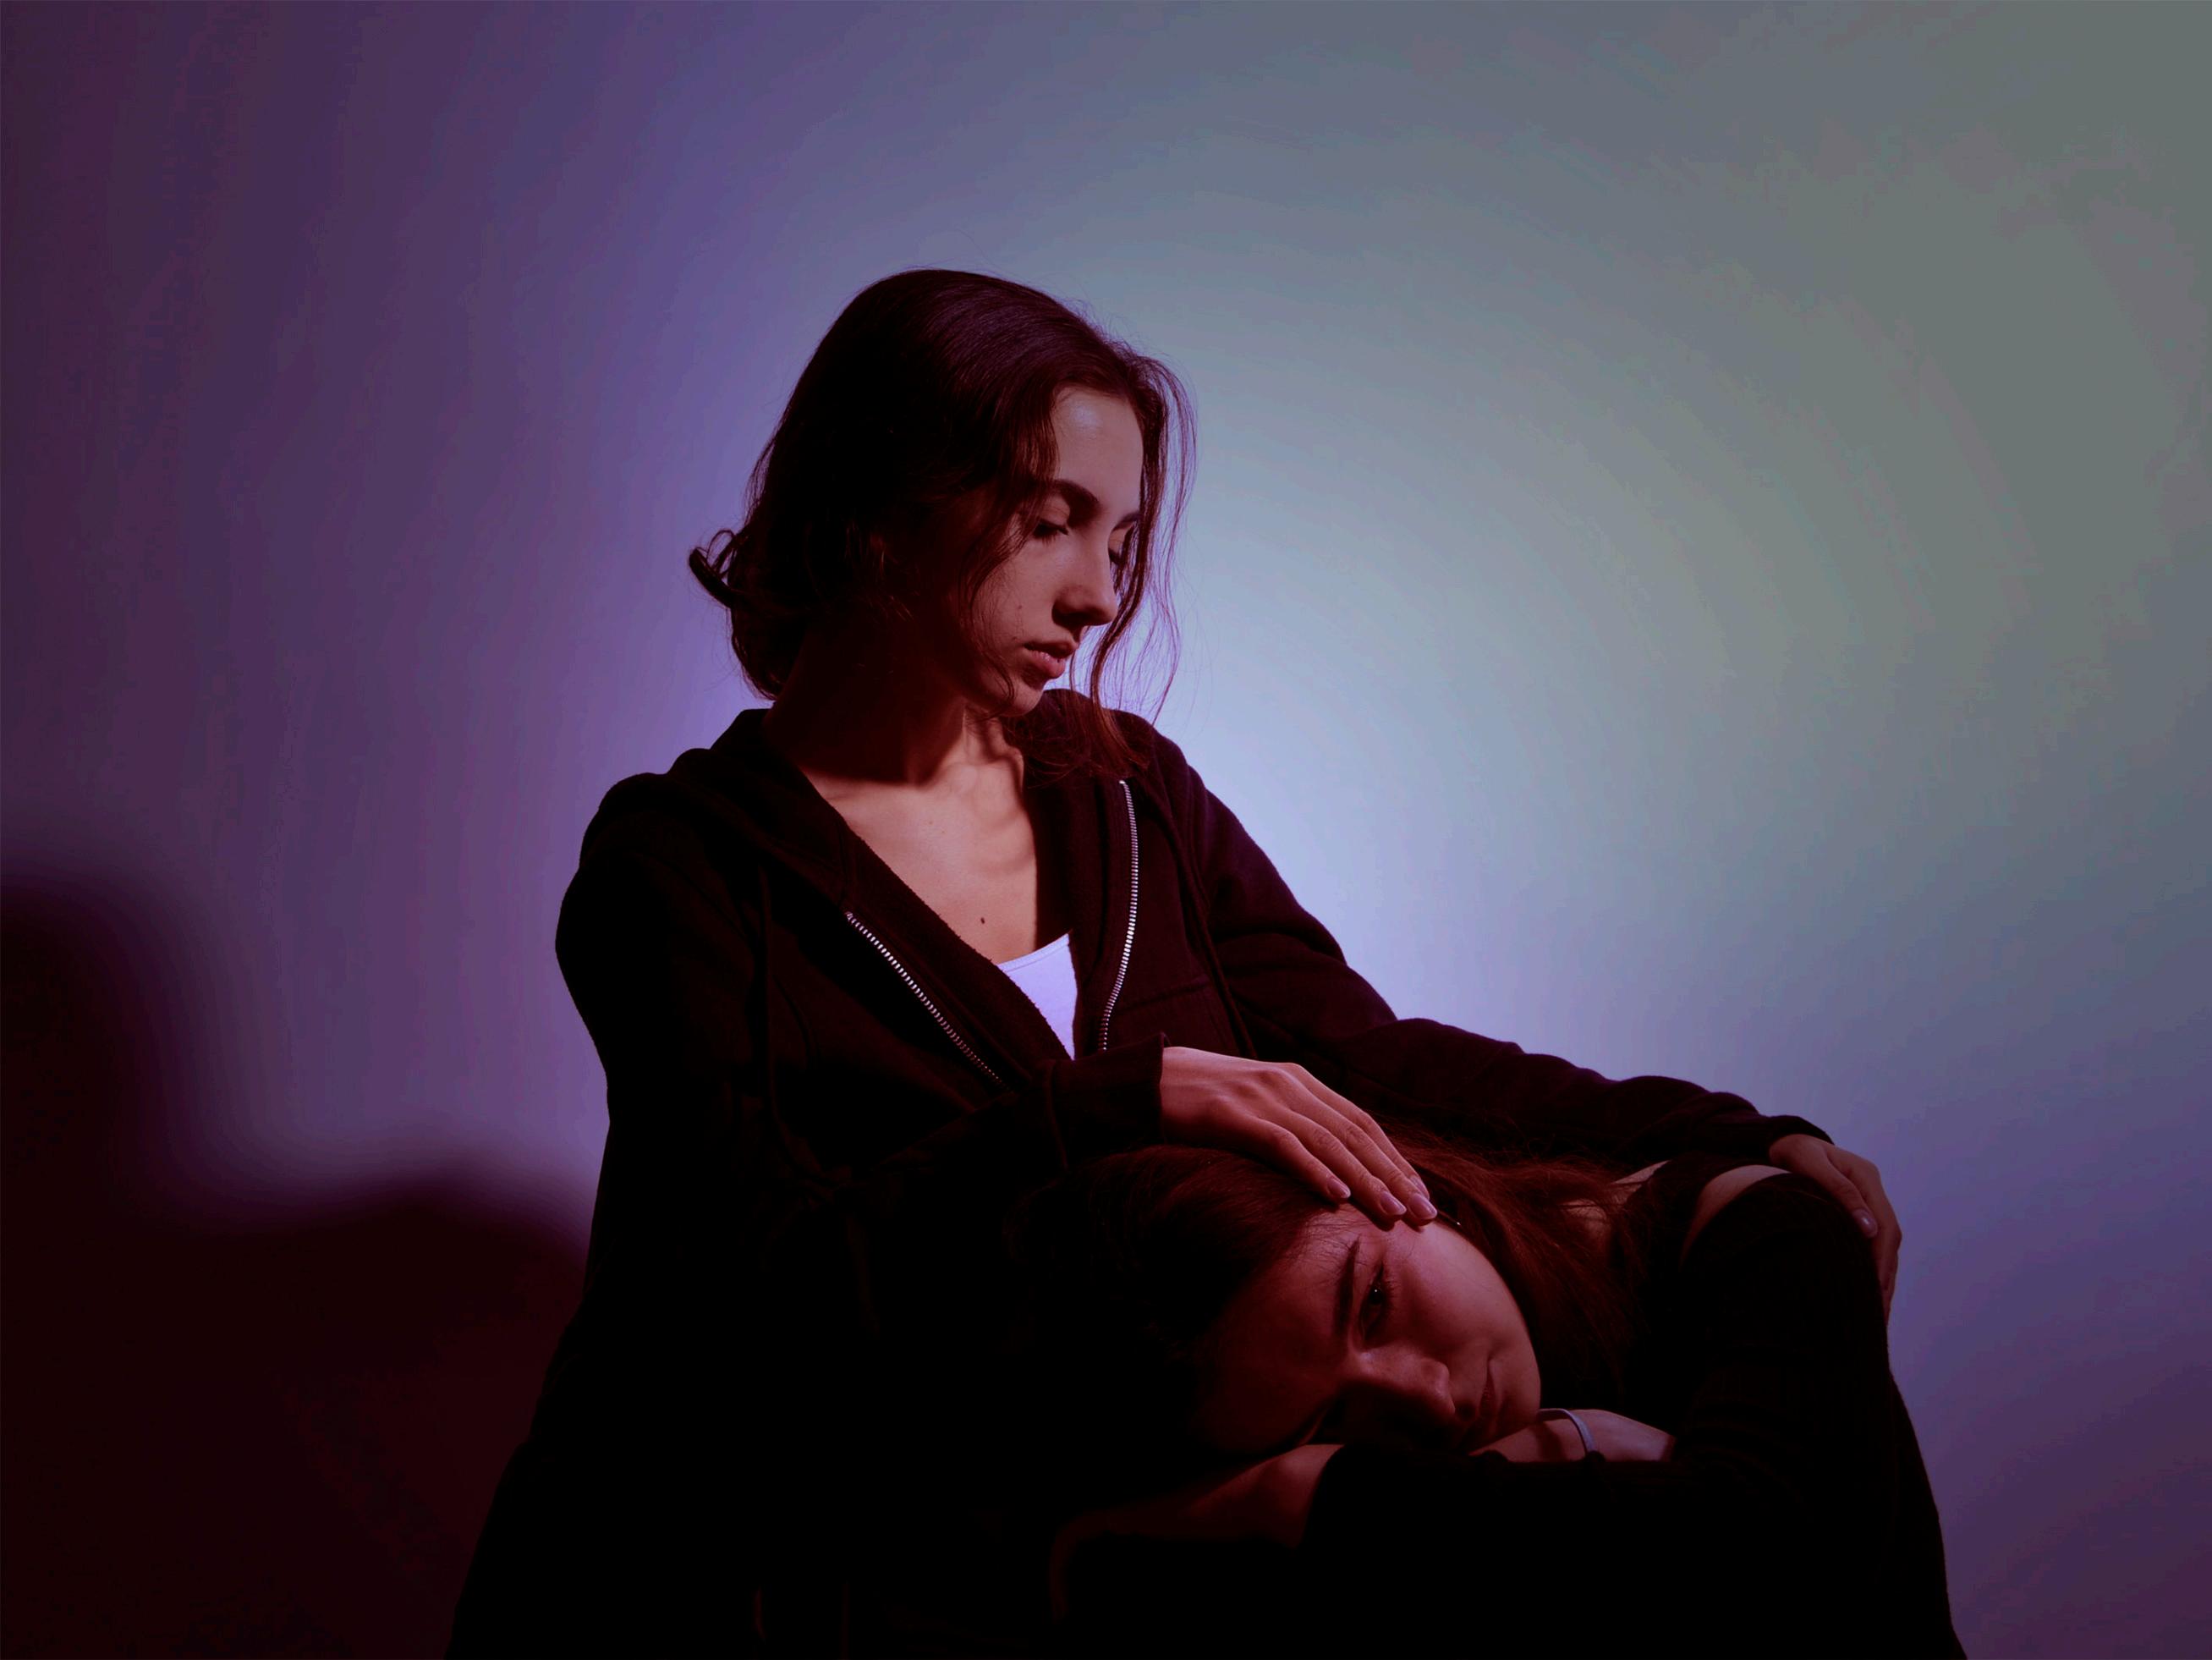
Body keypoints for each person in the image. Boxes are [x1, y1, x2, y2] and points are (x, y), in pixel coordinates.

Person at [446, 268, 1905, 1658]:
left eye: (1121, 541)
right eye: (1052, 522)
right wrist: (1115, 1100)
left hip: (1039, 1583)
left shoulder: (1126, 790)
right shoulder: (681, 868)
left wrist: (1726, 1132)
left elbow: (1368, 1060)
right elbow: (749, 1304)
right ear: (883, 503)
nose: (1097, 595)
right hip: (746, 1597)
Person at [1007, 1126, 1962, 1657]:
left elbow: (1769, 1550)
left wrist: (1304, 1491)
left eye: (1372, 1302)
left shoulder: (1758, 1227)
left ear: (1382, 1182)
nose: (1425, 1403)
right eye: (1330, 1426)